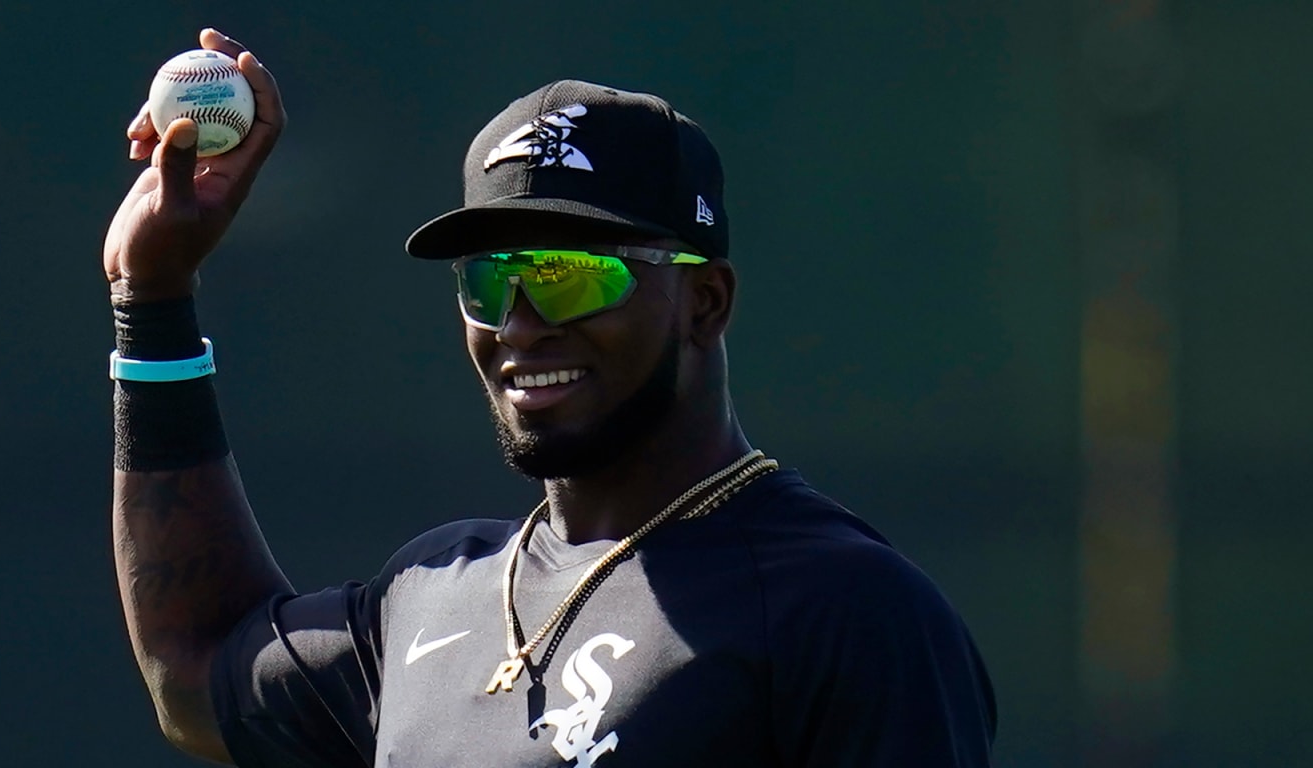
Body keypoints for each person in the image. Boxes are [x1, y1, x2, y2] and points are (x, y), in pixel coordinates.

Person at [106, 28, 997, 768]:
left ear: (705, 301)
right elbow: (195, 671)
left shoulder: (843, 610)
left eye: (570, 275)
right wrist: (152, 299)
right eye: (490, 283)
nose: (522, 325)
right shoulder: (430, 593)